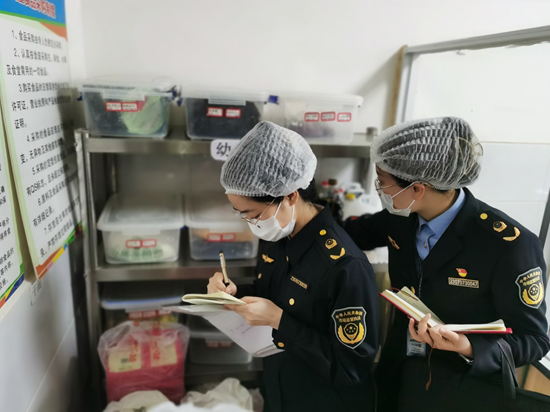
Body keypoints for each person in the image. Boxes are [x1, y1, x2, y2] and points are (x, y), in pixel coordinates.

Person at [344, 117, 550, 412]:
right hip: (399, 373)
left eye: (382, 181)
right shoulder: (400, 218)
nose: (380, 189)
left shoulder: (507, 245)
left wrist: (468, 347)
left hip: (460, 388)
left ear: (418, 188)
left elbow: (534, 340)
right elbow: (349, 233)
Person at [207, 121, 380, 412]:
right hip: (280, 390)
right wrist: (234, 293)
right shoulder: (278, 234)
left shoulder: (345, 265)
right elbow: (271, 292)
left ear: (290, 196)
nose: (251, 224)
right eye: (241, 215)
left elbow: (351, 367)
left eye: (252, 214)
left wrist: (280, 321)